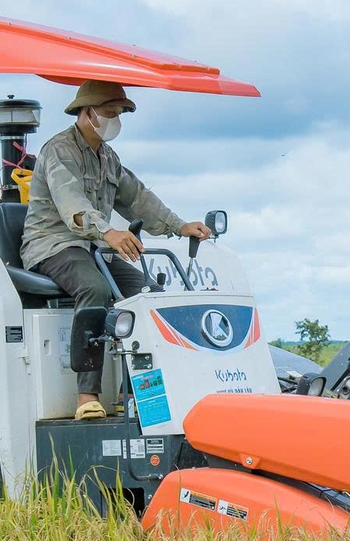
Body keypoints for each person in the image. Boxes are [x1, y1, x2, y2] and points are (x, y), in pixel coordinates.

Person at [21, 79, 214, 419]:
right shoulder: (59, 151)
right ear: (86, 112)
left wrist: (180, 226)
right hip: (53, 245)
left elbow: (138, 199)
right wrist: (108, 232)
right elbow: (72, 204)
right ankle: (87, 396)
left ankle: (136, 392)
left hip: (93, 247)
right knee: (94, 287)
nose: (115, 120)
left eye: (119, 113)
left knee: (147, 294)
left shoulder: (108, 157)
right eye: (109, 112)